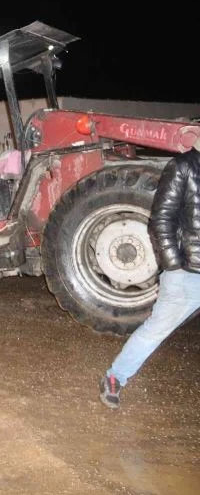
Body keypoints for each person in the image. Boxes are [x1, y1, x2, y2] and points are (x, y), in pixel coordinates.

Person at [99, 142, 200, 409]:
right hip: (190, 273)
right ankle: (114, 376)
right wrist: (174, 264)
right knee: (156, 330)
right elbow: (161, 218)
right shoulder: (183, 167)